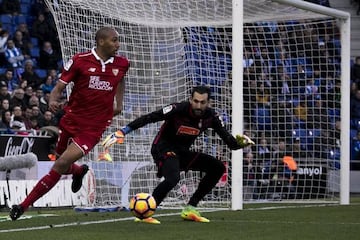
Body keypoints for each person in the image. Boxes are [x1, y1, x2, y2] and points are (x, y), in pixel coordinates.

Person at [9, 26, 130, 220]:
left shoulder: (122, 63)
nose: (118, 44)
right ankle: (79, 171)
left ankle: (22, 206)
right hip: (71, 120)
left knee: (60, 163)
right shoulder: (79, 61)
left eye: (118, 40)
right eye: (114, 40)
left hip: (94, 126)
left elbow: (121, 79)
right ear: (101, 42)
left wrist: (119, 103)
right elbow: (59, 87)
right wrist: (52, 100)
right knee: (62, 164)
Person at [102, 85, 255, 224]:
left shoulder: (211, 117)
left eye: (202, 102)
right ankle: (145, 212)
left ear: (208, 103)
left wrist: (240, 143)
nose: (198, 105)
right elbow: (151, 117)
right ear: (190, 99)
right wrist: (123, 132)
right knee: (173, 177)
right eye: (196, 101)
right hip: (162, 148)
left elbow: (229, 142)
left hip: (182, 152)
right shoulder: (177, 109)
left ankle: (190, 208)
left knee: (218, 167)